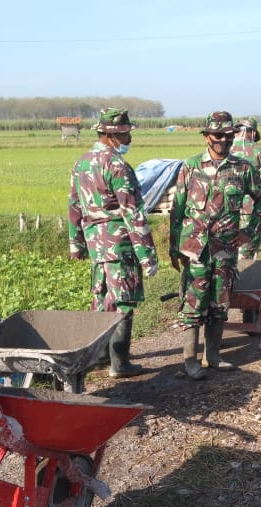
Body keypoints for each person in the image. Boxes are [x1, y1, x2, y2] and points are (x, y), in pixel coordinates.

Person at [169, 111, 261, 380]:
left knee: (220, 302)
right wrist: (173, 248)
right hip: (195, 249)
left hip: (225, 250)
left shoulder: (243, 169)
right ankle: (190, 360)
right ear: (207, 137)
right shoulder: (190, 167)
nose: (224, 140)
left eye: (229, 135)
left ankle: (213, 356)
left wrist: (248, 232)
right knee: (193, 302)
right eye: (218, 135)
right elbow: (177, 211)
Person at [68, 108, 160, 379]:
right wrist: (147, 255)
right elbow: (132, 212)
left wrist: (77, 244)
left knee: (102, 299)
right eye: (126, 133)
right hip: (119, 244)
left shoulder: (81, 162)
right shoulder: (117, 165)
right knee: (123, 300)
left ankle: (99, 357)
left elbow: (74, 205)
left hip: (96, 244)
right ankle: (119, 363)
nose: (130, 137)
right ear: (113, 134)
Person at [230, 116, 261, 259]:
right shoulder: (259, 152)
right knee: (246, 252)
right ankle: (244, 278)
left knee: (226, 252)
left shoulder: (224, 150)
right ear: (253, 133)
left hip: (225, 213)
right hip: (251, 213)